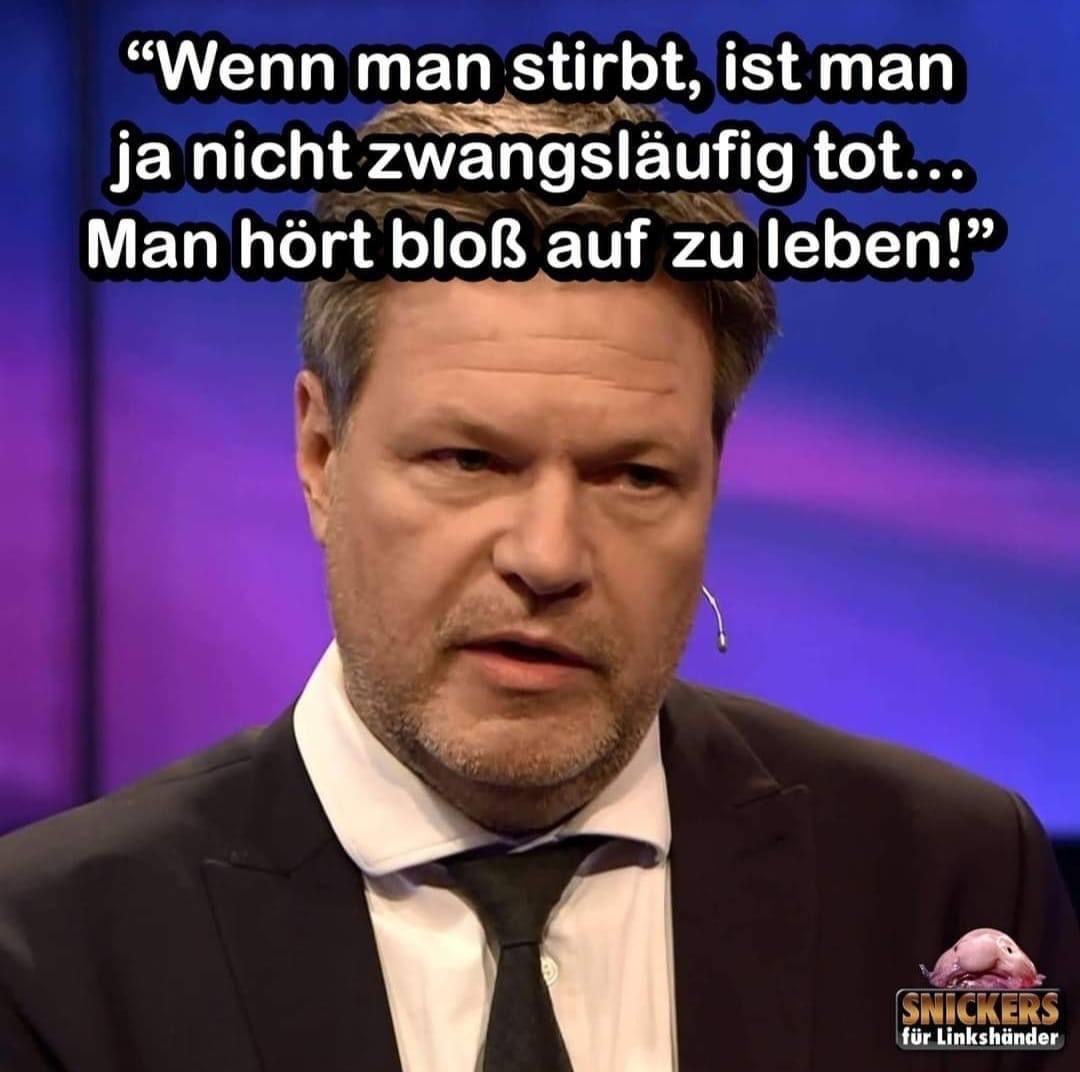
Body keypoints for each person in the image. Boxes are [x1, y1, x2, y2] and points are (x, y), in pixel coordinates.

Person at [1, 97, 1077, 1072]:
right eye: (470, 460)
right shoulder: (50, 958)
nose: (550, 557)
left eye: (636, 475)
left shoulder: (954, 891)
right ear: (321, 453)